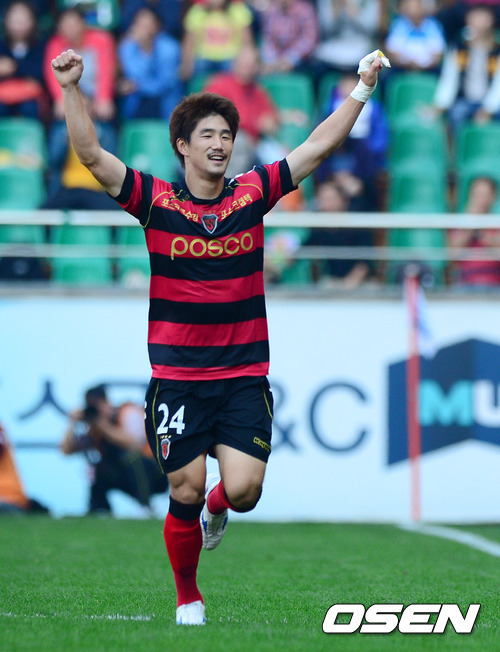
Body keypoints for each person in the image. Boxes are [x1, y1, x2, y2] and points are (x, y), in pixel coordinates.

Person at [50, 45, 388, 625]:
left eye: (227, 135)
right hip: (178, 377)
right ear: (183, 145)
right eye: (207, 134)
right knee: (182, 488)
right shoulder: (155, 202)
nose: (219, 143)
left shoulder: (252, 195)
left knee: (245, 491)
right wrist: (71, 88)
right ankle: (188, 595)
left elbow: (316, 147)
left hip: (242, 376)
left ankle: (219, 504)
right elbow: (91, 155)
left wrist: (362, 89)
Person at [60, 384, 169, 514]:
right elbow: (66, 450)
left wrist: (103, 425)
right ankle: (99, 508)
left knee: (132, 458)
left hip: (154, 471)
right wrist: (72, 422)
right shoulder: (94, 427)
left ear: (106, 402)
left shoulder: (126, 413)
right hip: (124, 475)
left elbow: (135, 444)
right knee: (99, 467)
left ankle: (145, 505)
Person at [204, 45, 282, 177]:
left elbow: (271, 121)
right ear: (235, 65)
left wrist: (270, 124)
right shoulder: (220, 85)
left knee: (280, 158)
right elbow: (208, 117)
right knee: (241, 142)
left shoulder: (258, 91)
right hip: (226, 140)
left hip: (254, 145)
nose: (248, 69)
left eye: (252, 65)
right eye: (245, 64)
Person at [434, 5, 500, 130]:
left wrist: (488, 110)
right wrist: (440, 104)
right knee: (456, 113)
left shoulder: (497, 52)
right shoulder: (459, 48)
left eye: (483, 17)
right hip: (466, 100)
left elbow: (498, 85)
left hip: (493, 103)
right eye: (475, 17)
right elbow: (449, 79)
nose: (478, 21)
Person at [117, 6, 182, 122]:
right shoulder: (128, 46)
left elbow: (167, 83)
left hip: (164, 102)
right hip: (138, 101)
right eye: (140, 24)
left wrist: (138, 86)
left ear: (157, 26)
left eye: (148, 25)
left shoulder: (170, 48)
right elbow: (132, 74)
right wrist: (143, 50)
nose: (144, 29)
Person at [306, 179, 373, 289]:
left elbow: (364, 263)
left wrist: (349, 284)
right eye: (323, 199)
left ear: (343, 201)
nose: (327, 204)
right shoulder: (318, 229)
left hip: (360, 283)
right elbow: (304, 249)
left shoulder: (357, 225)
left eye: (331, 199)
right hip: (331, 282)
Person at [180, 0, 254, 81]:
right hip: (203, 57)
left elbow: (247, 41)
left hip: (230, 57)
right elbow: (189, 42)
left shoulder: (238, 10)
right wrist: (186, 64)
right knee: (197, 72)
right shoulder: (197, 11)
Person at [0, 0, 47, 120]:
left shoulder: (40, 46)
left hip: (31, 98)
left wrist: (12, 68)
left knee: (30, 108)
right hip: (3, 96)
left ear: (33, 21)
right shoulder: (2, 46)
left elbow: (40, 74)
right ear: (6, 21)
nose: (18, 25)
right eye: (15, 20)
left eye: (23, 20)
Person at [448, 176, 500, 285]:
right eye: (477, 194)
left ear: (493, 196)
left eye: (484, 194)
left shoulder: (497, 223)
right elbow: (452, 255)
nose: (480, 199)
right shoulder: (459, 223)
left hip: (495, 283)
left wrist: (481, 226)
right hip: (466, 282)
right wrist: (470, 224)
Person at [384, 0, 446, 73]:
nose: (415, 11)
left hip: (429, 70)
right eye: (411, 7)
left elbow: (438, 53)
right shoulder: (399, 25)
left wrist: (422, 65)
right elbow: (391, 52)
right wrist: (407, 63)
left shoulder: (433, 26)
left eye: (417, 7)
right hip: (402, 69)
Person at [260, 0, 318, 74]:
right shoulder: (271, 11)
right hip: (276, 60)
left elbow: (309, 41)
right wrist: (271, 61)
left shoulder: (305, 10)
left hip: (300, 60)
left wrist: (290, 59)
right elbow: (268, 40)